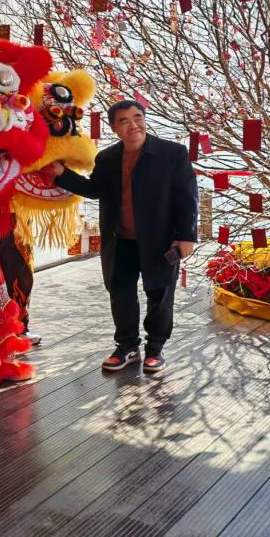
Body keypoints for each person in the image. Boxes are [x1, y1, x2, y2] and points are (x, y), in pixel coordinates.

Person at [47, 100, 198, 374]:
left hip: (160, 240)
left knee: (160, 293)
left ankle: (155, 348)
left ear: (144, 119)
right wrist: (62, 174)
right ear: (114, 127)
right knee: (120, 294)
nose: (133, 125)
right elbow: (95, 189)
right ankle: (127, 346)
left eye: (137, 117)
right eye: (123, 121)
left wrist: (186, 236)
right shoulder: (107, 158)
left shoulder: (172, 153)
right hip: (119, 240)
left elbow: (187, 198)